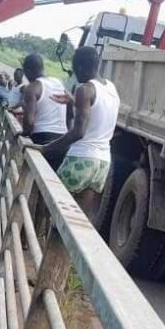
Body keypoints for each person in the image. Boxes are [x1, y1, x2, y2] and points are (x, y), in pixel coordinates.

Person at [34, 47, 120, 219]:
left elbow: (78, 132)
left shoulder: (84, 89)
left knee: (46, 199)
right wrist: (73, 102)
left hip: (81, 158)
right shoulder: (111, 88)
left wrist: (45, 149)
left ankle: (34, 240)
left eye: (74, 69)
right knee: (77, 218)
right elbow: (97, 114)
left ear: (80, 67)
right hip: (102, 163)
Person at [20, 54, 68, 170]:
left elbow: (29, 125)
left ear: (27, 70)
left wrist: (23, 133)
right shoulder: (58, 83)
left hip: (42, 139)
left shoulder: (32, 88)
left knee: (33, 182)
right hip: (62, 141)